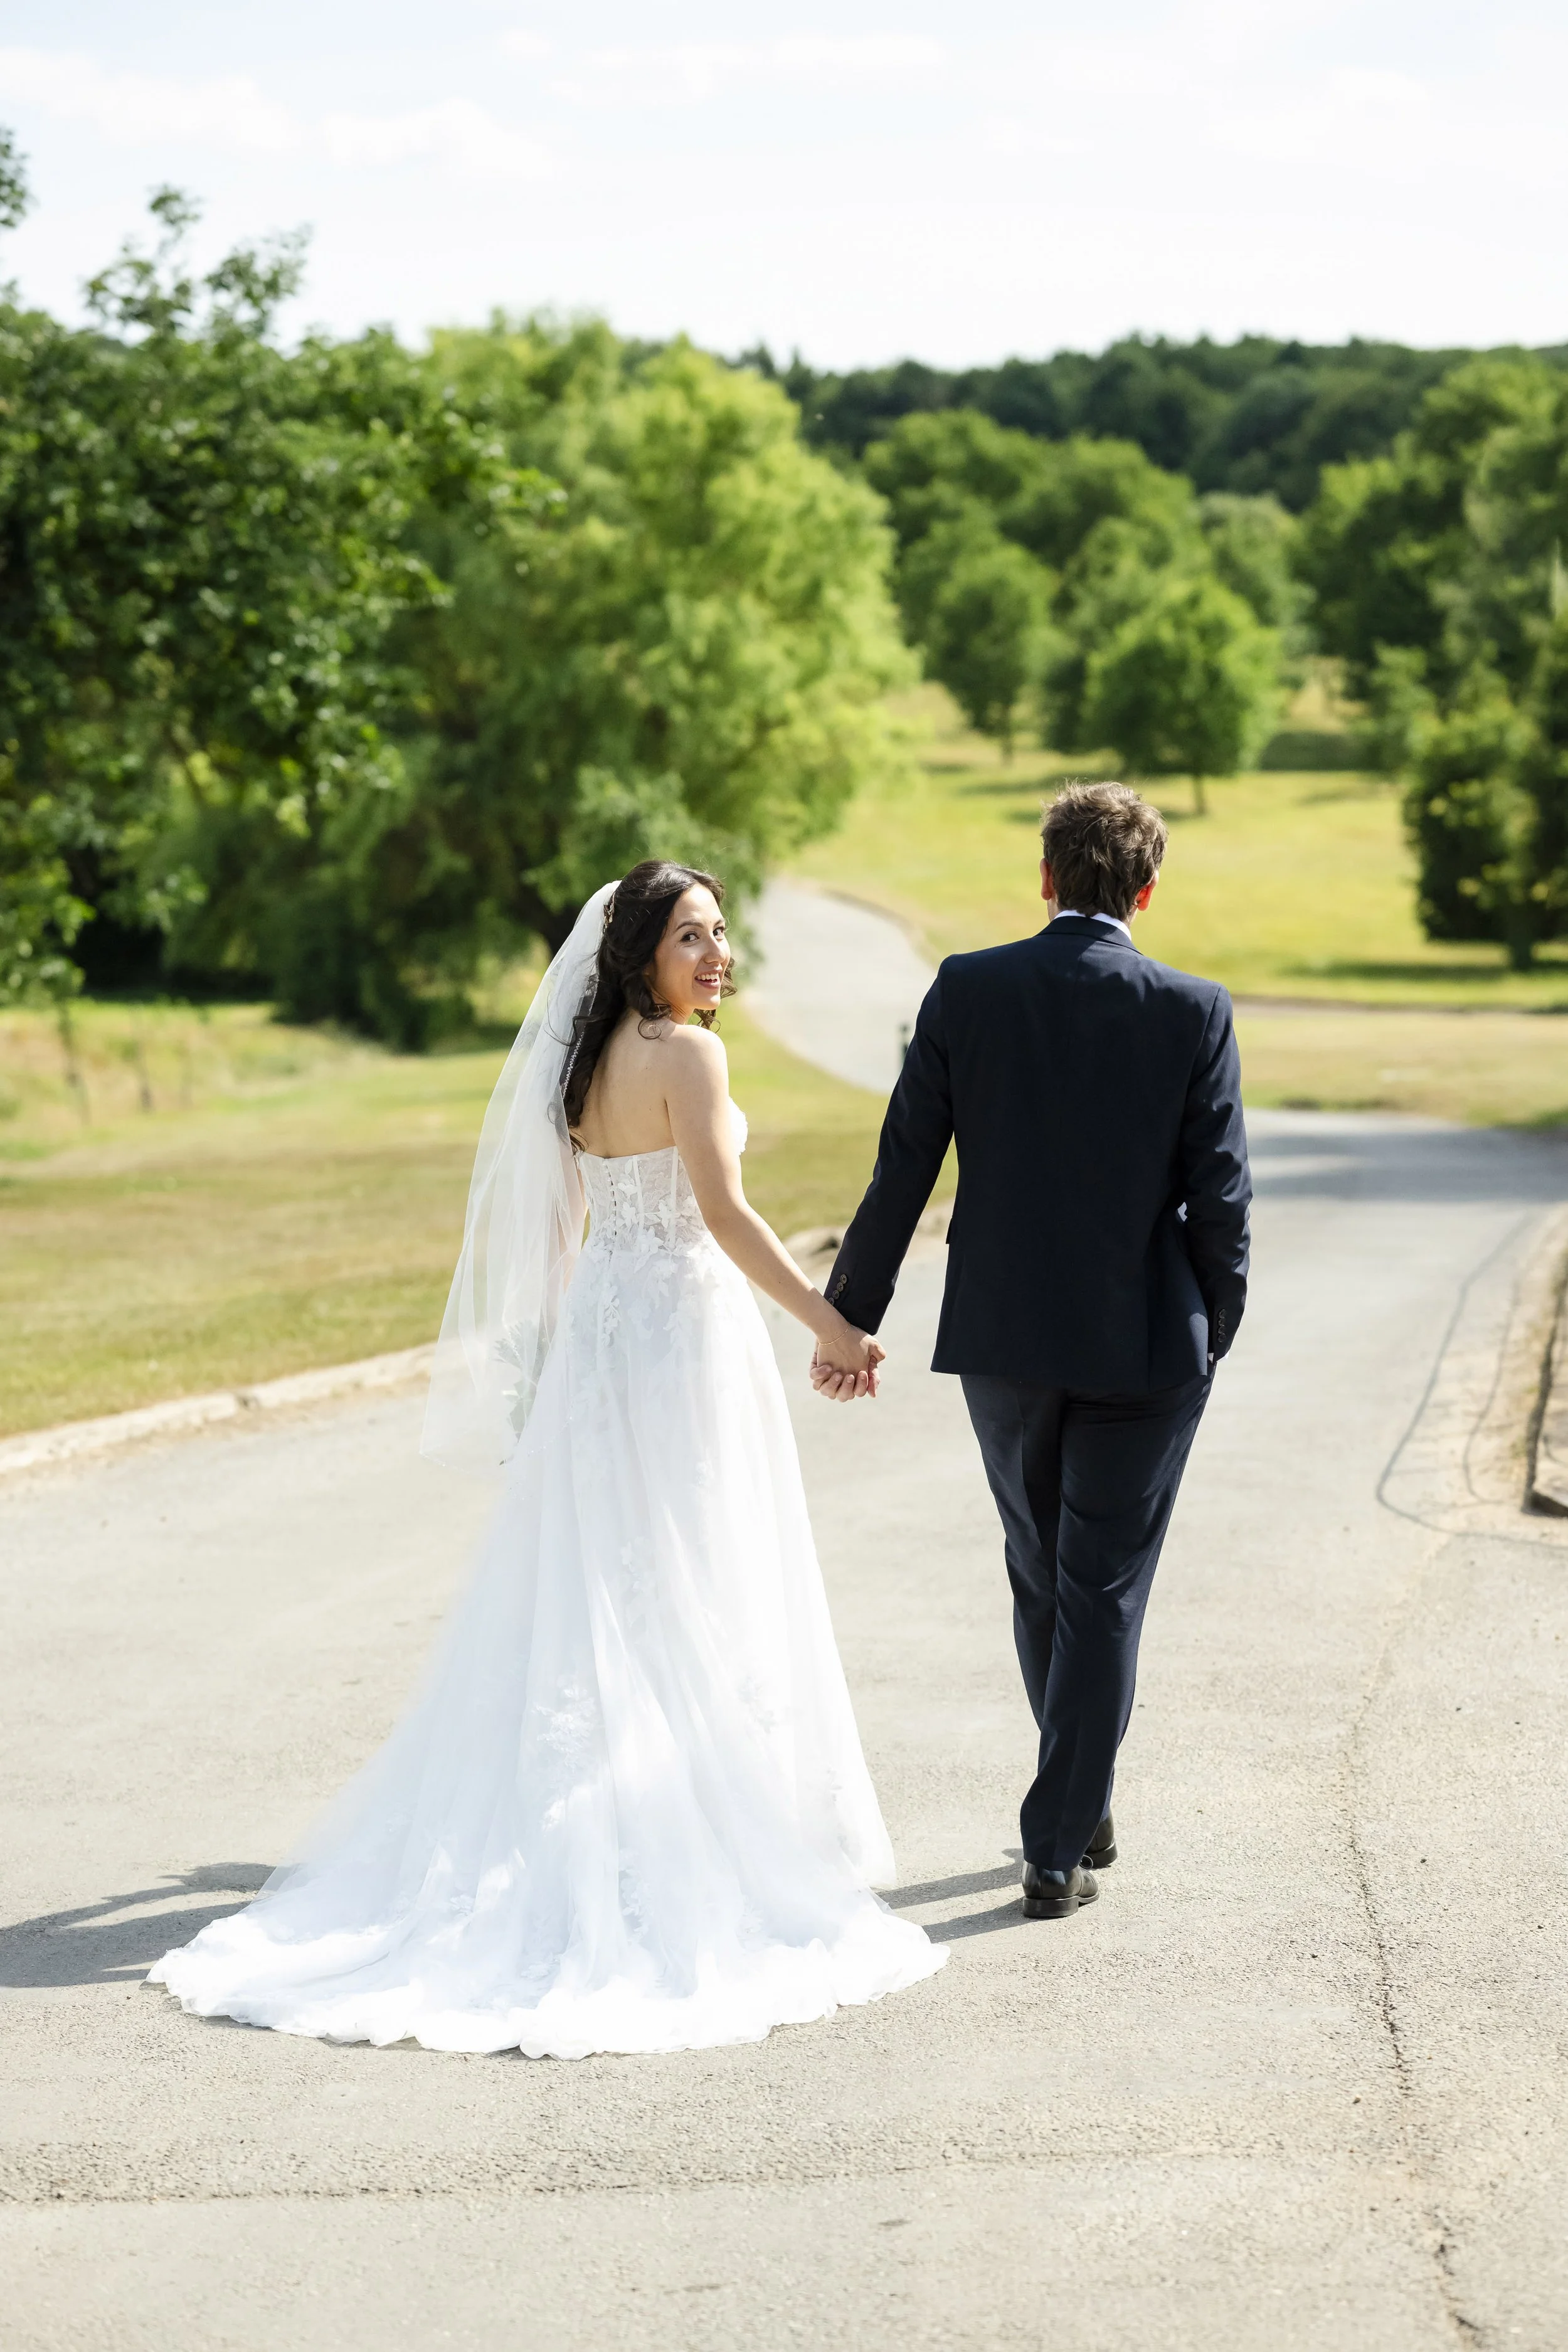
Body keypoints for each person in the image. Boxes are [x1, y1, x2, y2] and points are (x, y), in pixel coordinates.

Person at [149, 863, 943, 2057]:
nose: (717, 955)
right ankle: (687, 1829)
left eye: (722, 934)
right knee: (690, 1567)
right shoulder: (689, 1057)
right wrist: (829, 1320)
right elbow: (723, 1217)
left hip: (605, 1346)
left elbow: (563, 1230)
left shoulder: (583, 1066)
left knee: (606, 1582)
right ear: (640, 955)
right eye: (692, 937)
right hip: (681, 1338)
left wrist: (563, 1363)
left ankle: (611, 1812)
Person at [814, 783, 1251, 1921]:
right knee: (1098, 1586)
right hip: (1150, 1348)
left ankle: (1071, 1800)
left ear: (1046, 877)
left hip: (1005, 1343)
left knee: (1043, 1571)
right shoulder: (1192, 1007)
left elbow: (902, 1165)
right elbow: (1224, 1200)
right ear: (1146, 891)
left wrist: (850, 1312)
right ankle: (1060, 1837)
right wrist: (1216, 1329)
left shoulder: (968, 988)